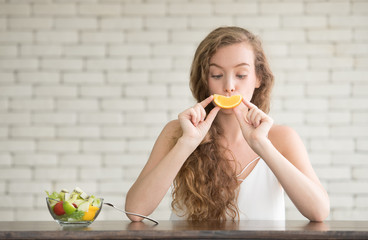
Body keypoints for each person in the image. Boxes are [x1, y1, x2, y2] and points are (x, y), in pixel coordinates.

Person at [125, 26, 330, 222]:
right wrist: (187, 143)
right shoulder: (177, 132)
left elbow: (319, 211)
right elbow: (135, 211)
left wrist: (262, 145)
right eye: (217, 75)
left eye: (241, 75)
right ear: (205, 80)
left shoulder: (282, 138)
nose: (229, 86)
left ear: (258, 78)